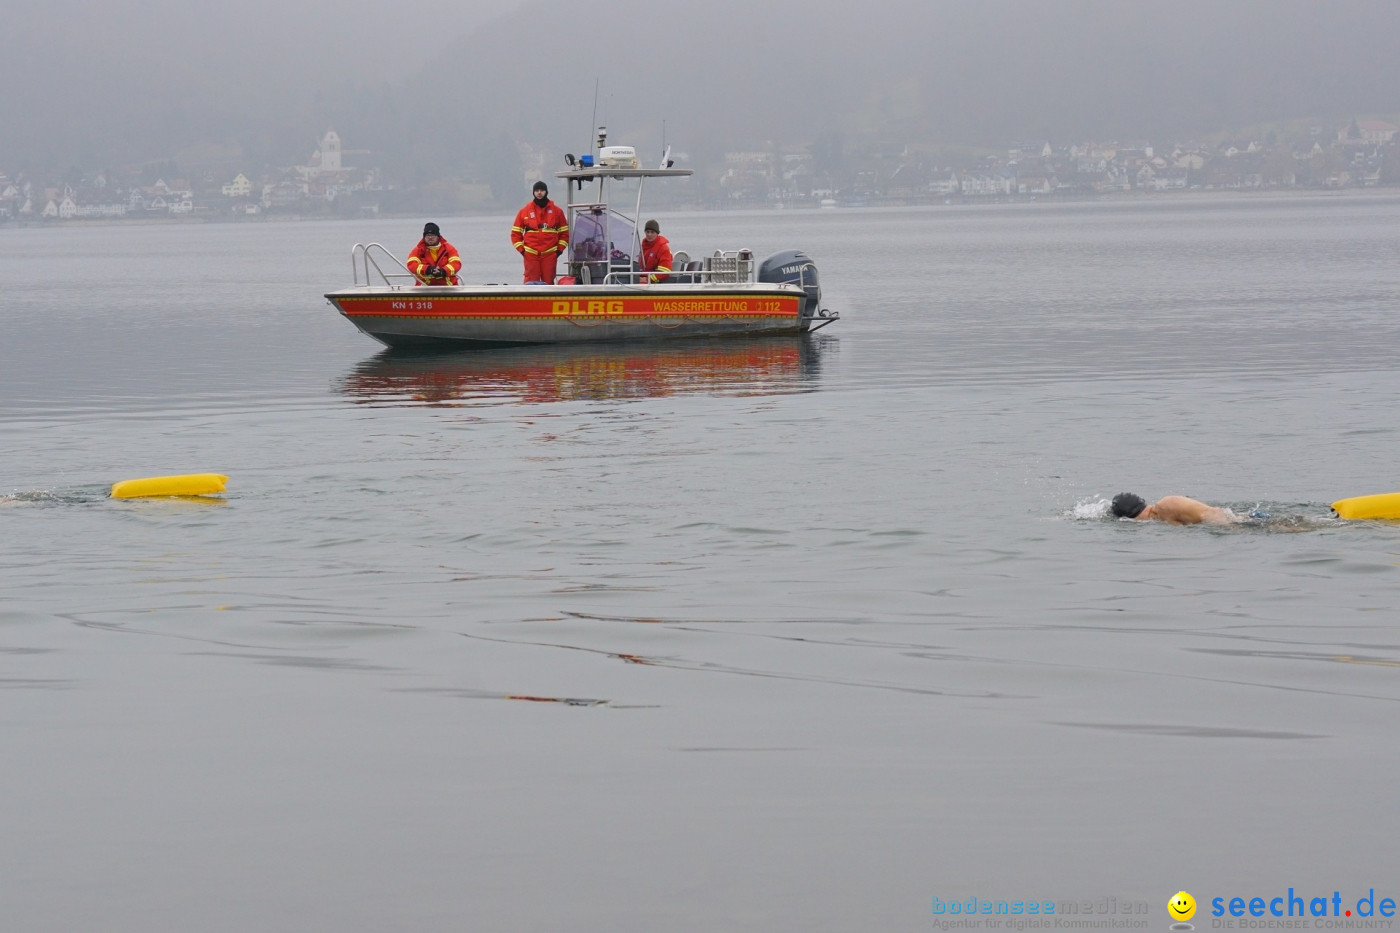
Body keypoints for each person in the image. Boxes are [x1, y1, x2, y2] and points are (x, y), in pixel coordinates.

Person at [511, 181, 569, 284]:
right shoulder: (524, 211)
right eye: (537, 191)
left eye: (542, 190)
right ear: (533, 193)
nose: (539, 193)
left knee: (549, 281)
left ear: (546, 192)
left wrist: (559, 251)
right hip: (531, 254)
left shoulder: (557, 211)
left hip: (550, 253)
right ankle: (529, 300)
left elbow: (564, 233)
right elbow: (515, 234)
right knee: (530, 282)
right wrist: (523, 251)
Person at [1110, 492, 1241, 525]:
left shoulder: (1164, 506)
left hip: (1233, 523)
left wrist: (1236, 529)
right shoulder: (1160, 515)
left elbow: (1214, 515)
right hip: (1235, 520)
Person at [637, 218, 672, 283]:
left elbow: (664, 272)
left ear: (657, 233)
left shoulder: (663, 249)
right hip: (641, 279)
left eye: (652, 232)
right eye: (647, 232)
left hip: (655, 283)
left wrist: (647, 279)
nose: (649, 234)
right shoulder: (643, 247)